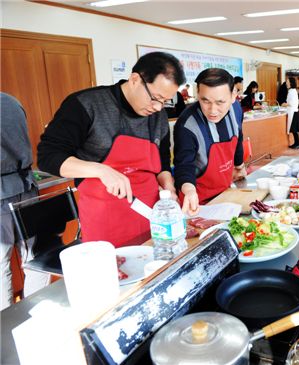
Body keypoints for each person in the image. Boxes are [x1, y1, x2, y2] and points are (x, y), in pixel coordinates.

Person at [37, 52, 184, 247]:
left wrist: (168, 185)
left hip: (153, 217)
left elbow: (163, 161)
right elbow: (48, 156)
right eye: (155, 98)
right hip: (106, 220)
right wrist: (101, 170)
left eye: (164, 101)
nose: (158, 108)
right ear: (135, 79)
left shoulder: (158, 116)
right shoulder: (86, 105)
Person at [173, 68, 246, 216]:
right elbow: (184, 166)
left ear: (233, 96)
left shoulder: (236, 109)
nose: (213, 110)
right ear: (198, 94)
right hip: (198, 202)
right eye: (205, 101)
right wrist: (189, 191)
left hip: (225, 193)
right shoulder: (187, 124)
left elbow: (238, 137)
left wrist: (239, 166)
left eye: (220, 102)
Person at [1, 93, 50, 310]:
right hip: (26, 187)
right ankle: (38, 313)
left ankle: (6, 325)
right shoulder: (11, 101)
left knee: (1, 266)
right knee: (36, 255)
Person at [284, 77, 299, 149]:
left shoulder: (292, 91)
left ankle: (297, 143)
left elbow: (291, 103)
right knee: (294, 130)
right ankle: (297, 143)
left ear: (291, 83)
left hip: (293, 112)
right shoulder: (292, 91)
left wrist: (284, 104)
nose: (286, 83)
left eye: (287, 81)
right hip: (293, 111)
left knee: (293, 129)